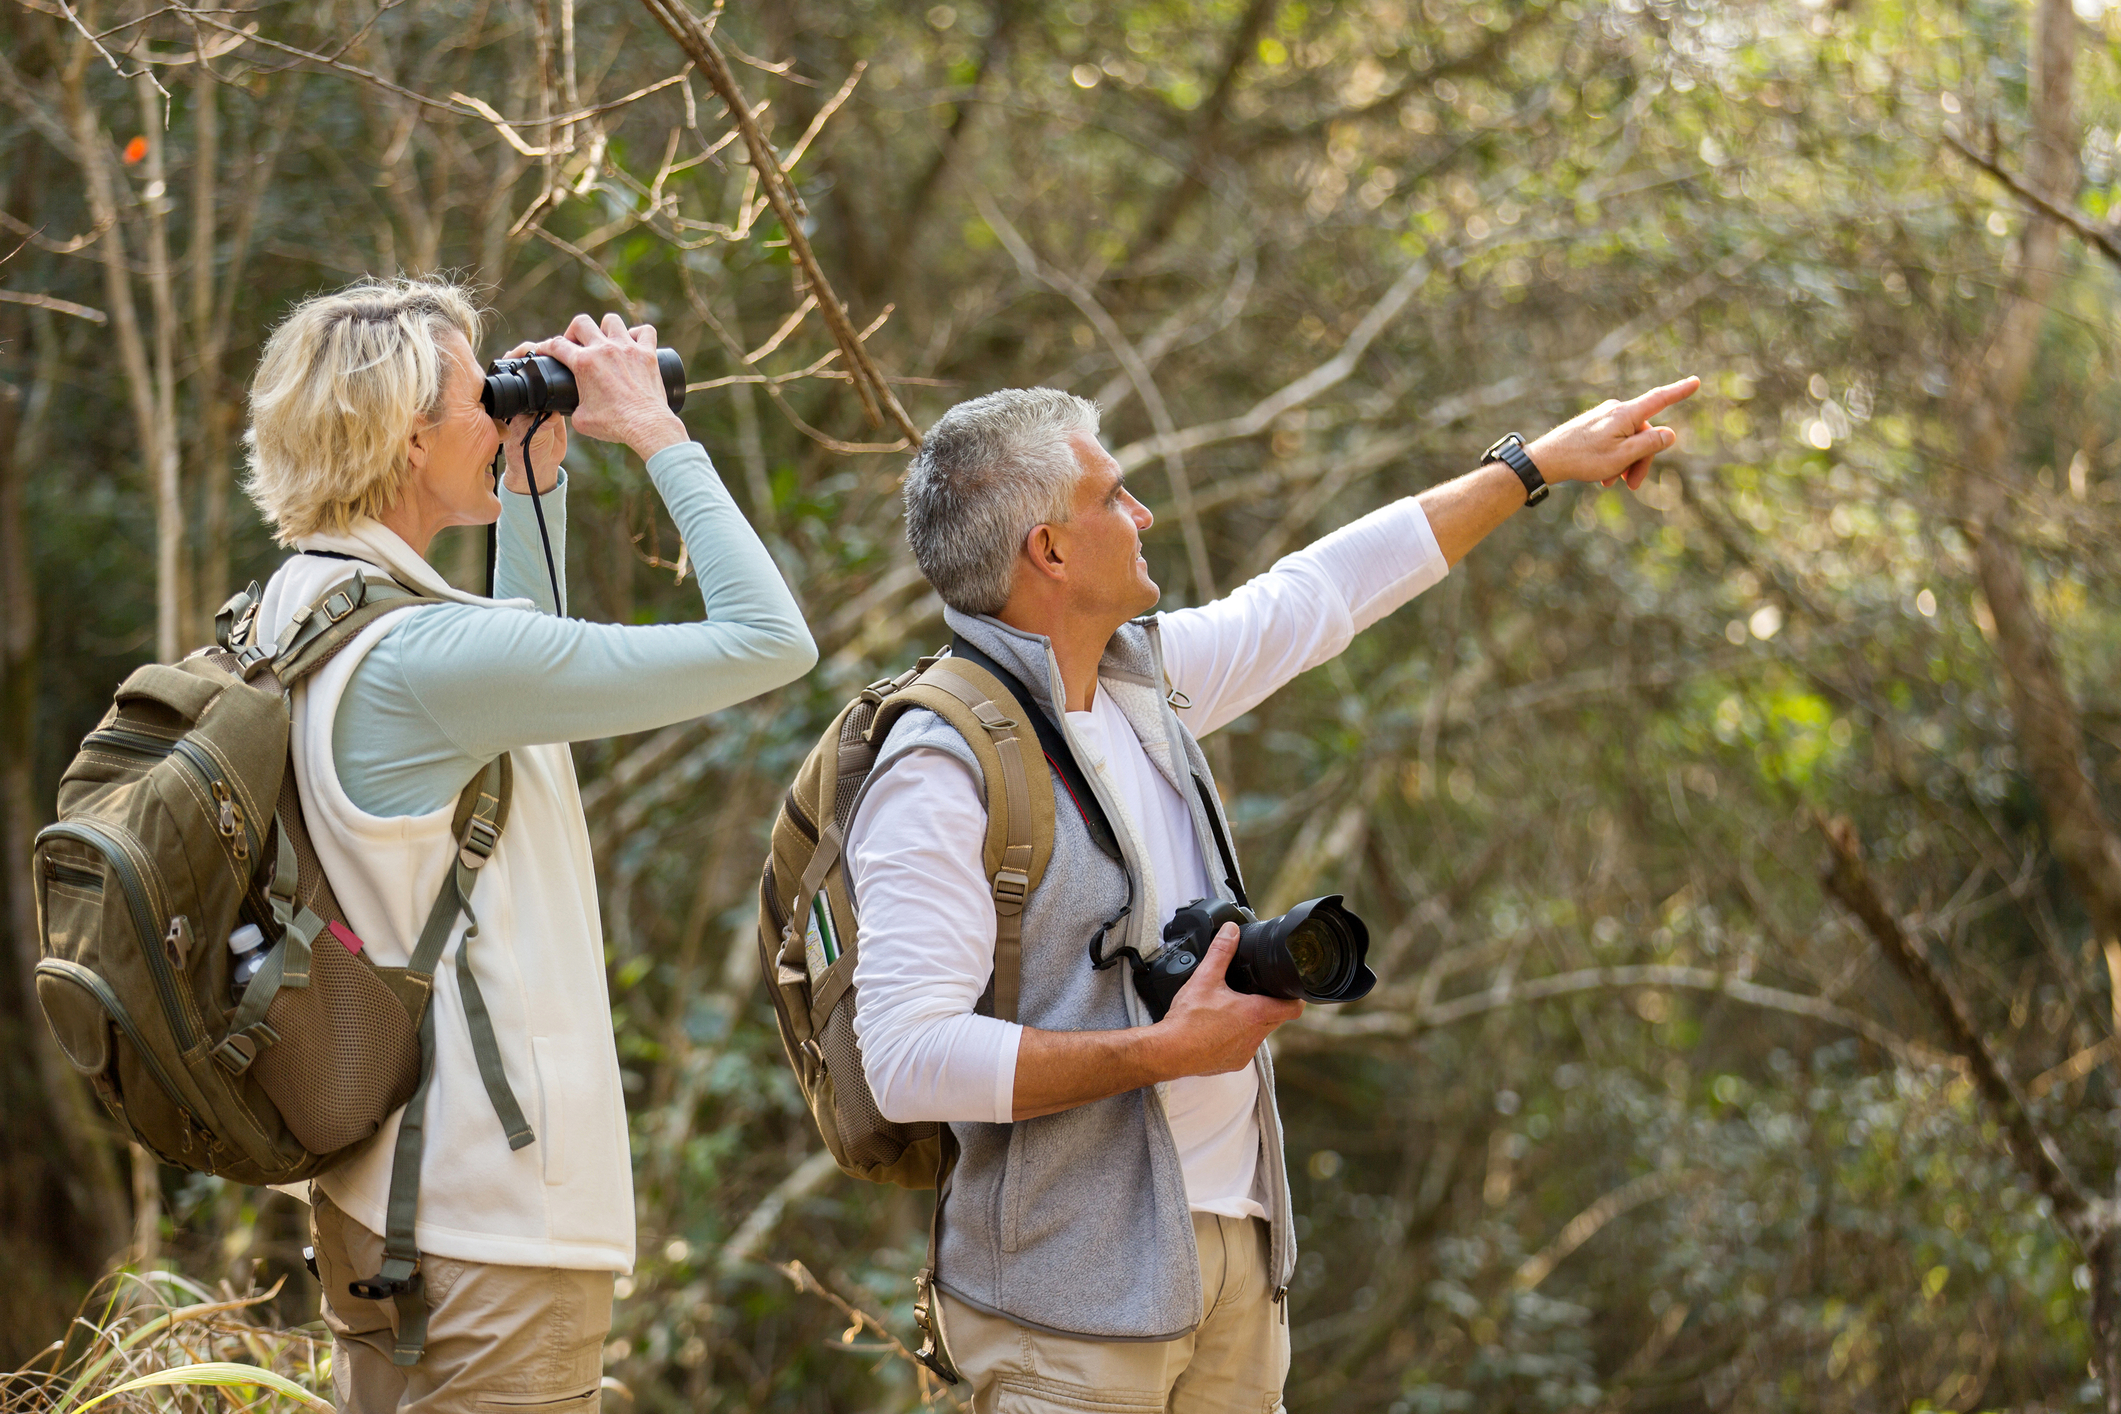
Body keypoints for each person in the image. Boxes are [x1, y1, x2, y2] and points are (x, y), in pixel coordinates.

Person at [847, 377, 1698, 1412]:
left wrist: (1530, 469)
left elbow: (1322, 593)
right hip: (1060, 1303)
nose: (1142, 514)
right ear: (1051, 551)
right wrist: (1160, 1052)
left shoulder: (1141, 682)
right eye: (1114, 496)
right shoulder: (940, 764)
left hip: (1233, 1260)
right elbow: (903, 1058)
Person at [240, 277, 817, 1411]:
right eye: (477, 395)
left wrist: (535, 482)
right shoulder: (426, 656)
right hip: (493, 1233)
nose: (496, 409)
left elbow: (518, 691)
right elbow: (769, 640)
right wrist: (657, 430)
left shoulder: (299, 611)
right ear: (412, 437)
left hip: (386, 1200)